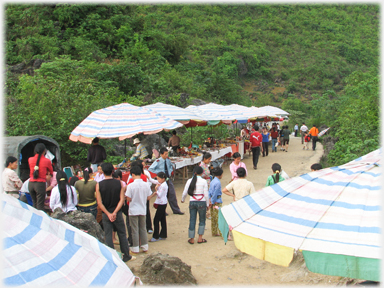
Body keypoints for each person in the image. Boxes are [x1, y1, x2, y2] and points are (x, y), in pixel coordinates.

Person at [96, 162, 135, 262]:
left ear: (103, 172)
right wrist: (114, 212)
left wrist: (108, 214)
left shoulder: (99, 185)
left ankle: (111, 257)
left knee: (108, 234)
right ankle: (126, 255)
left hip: (106, 213)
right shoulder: (119, 183)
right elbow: (122, 200)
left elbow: (99, 203)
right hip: (117, 212)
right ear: (113, 171)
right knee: (122, 233)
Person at [125, 165, 156, 254]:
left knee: (134, 229)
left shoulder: (130, 186)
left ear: (133, 174)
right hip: (142, 209)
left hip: (133, 209)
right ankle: (145, 246)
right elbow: (148, 197)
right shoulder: (146, 185)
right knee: (142, 228)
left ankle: (135, 247)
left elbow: (128, 198)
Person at [149, 147, 184, 215]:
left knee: (172, 194)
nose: (166, 155)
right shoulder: (158, 161)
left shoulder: (168, 160)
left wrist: (170, 171)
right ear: (161, 154)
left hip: (167, 178)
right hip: (161, 180)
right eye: (165, 154)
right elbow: (151, 168)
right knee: (161, 195)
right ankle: (162, 211)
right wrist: (159, 172)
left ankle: (176, 210)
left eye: (167, 154)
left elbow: (171, 166)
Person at [181, 166, 209, 244]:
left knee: (192, 219)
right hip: (202, 201)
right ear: (202, 173)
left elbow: (185, 192)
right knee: (202, 220)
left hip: (192, 201)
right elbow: (206, 194)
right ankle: (200, 238)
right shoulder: (204, 181)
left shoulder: (189, 181)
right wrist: (207, 204)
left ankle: (192, 238)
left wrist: (183, 199)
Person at [28, 143, 53, 210]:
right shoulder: (47, 161)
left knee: (34, 203)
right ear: (44, 151)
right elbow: (51, 171)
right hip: (40, 184)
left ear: (35, 151)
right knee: (40, 205)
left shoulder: (30, 159)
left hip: (31, 183)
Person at [149, 172, 168, 242]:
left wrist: (156, 189)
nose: (158, 180)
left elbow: (160, 195)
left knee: (156, 219)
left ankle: (156, 236)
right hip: (162, 202)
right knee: (162, 219)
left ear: (163, 179)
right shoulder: (162, 183)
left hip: (162, 203)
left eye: (159, 179)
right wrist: (148, 178)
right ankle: (163, 234)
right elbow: (154, 181)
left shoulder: (163, 186)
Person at [209, 167, 223, 237]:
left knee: (213, 217)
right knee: (219, 217)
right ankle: (221, 232)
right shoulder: (218, 183)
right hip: (217, 200)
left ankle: (214, 231)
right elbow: (215, 193)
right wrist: (213, 201)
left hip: (212, 200)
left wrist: (210, 200)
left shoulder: (212, 181)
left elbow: (210, 191)